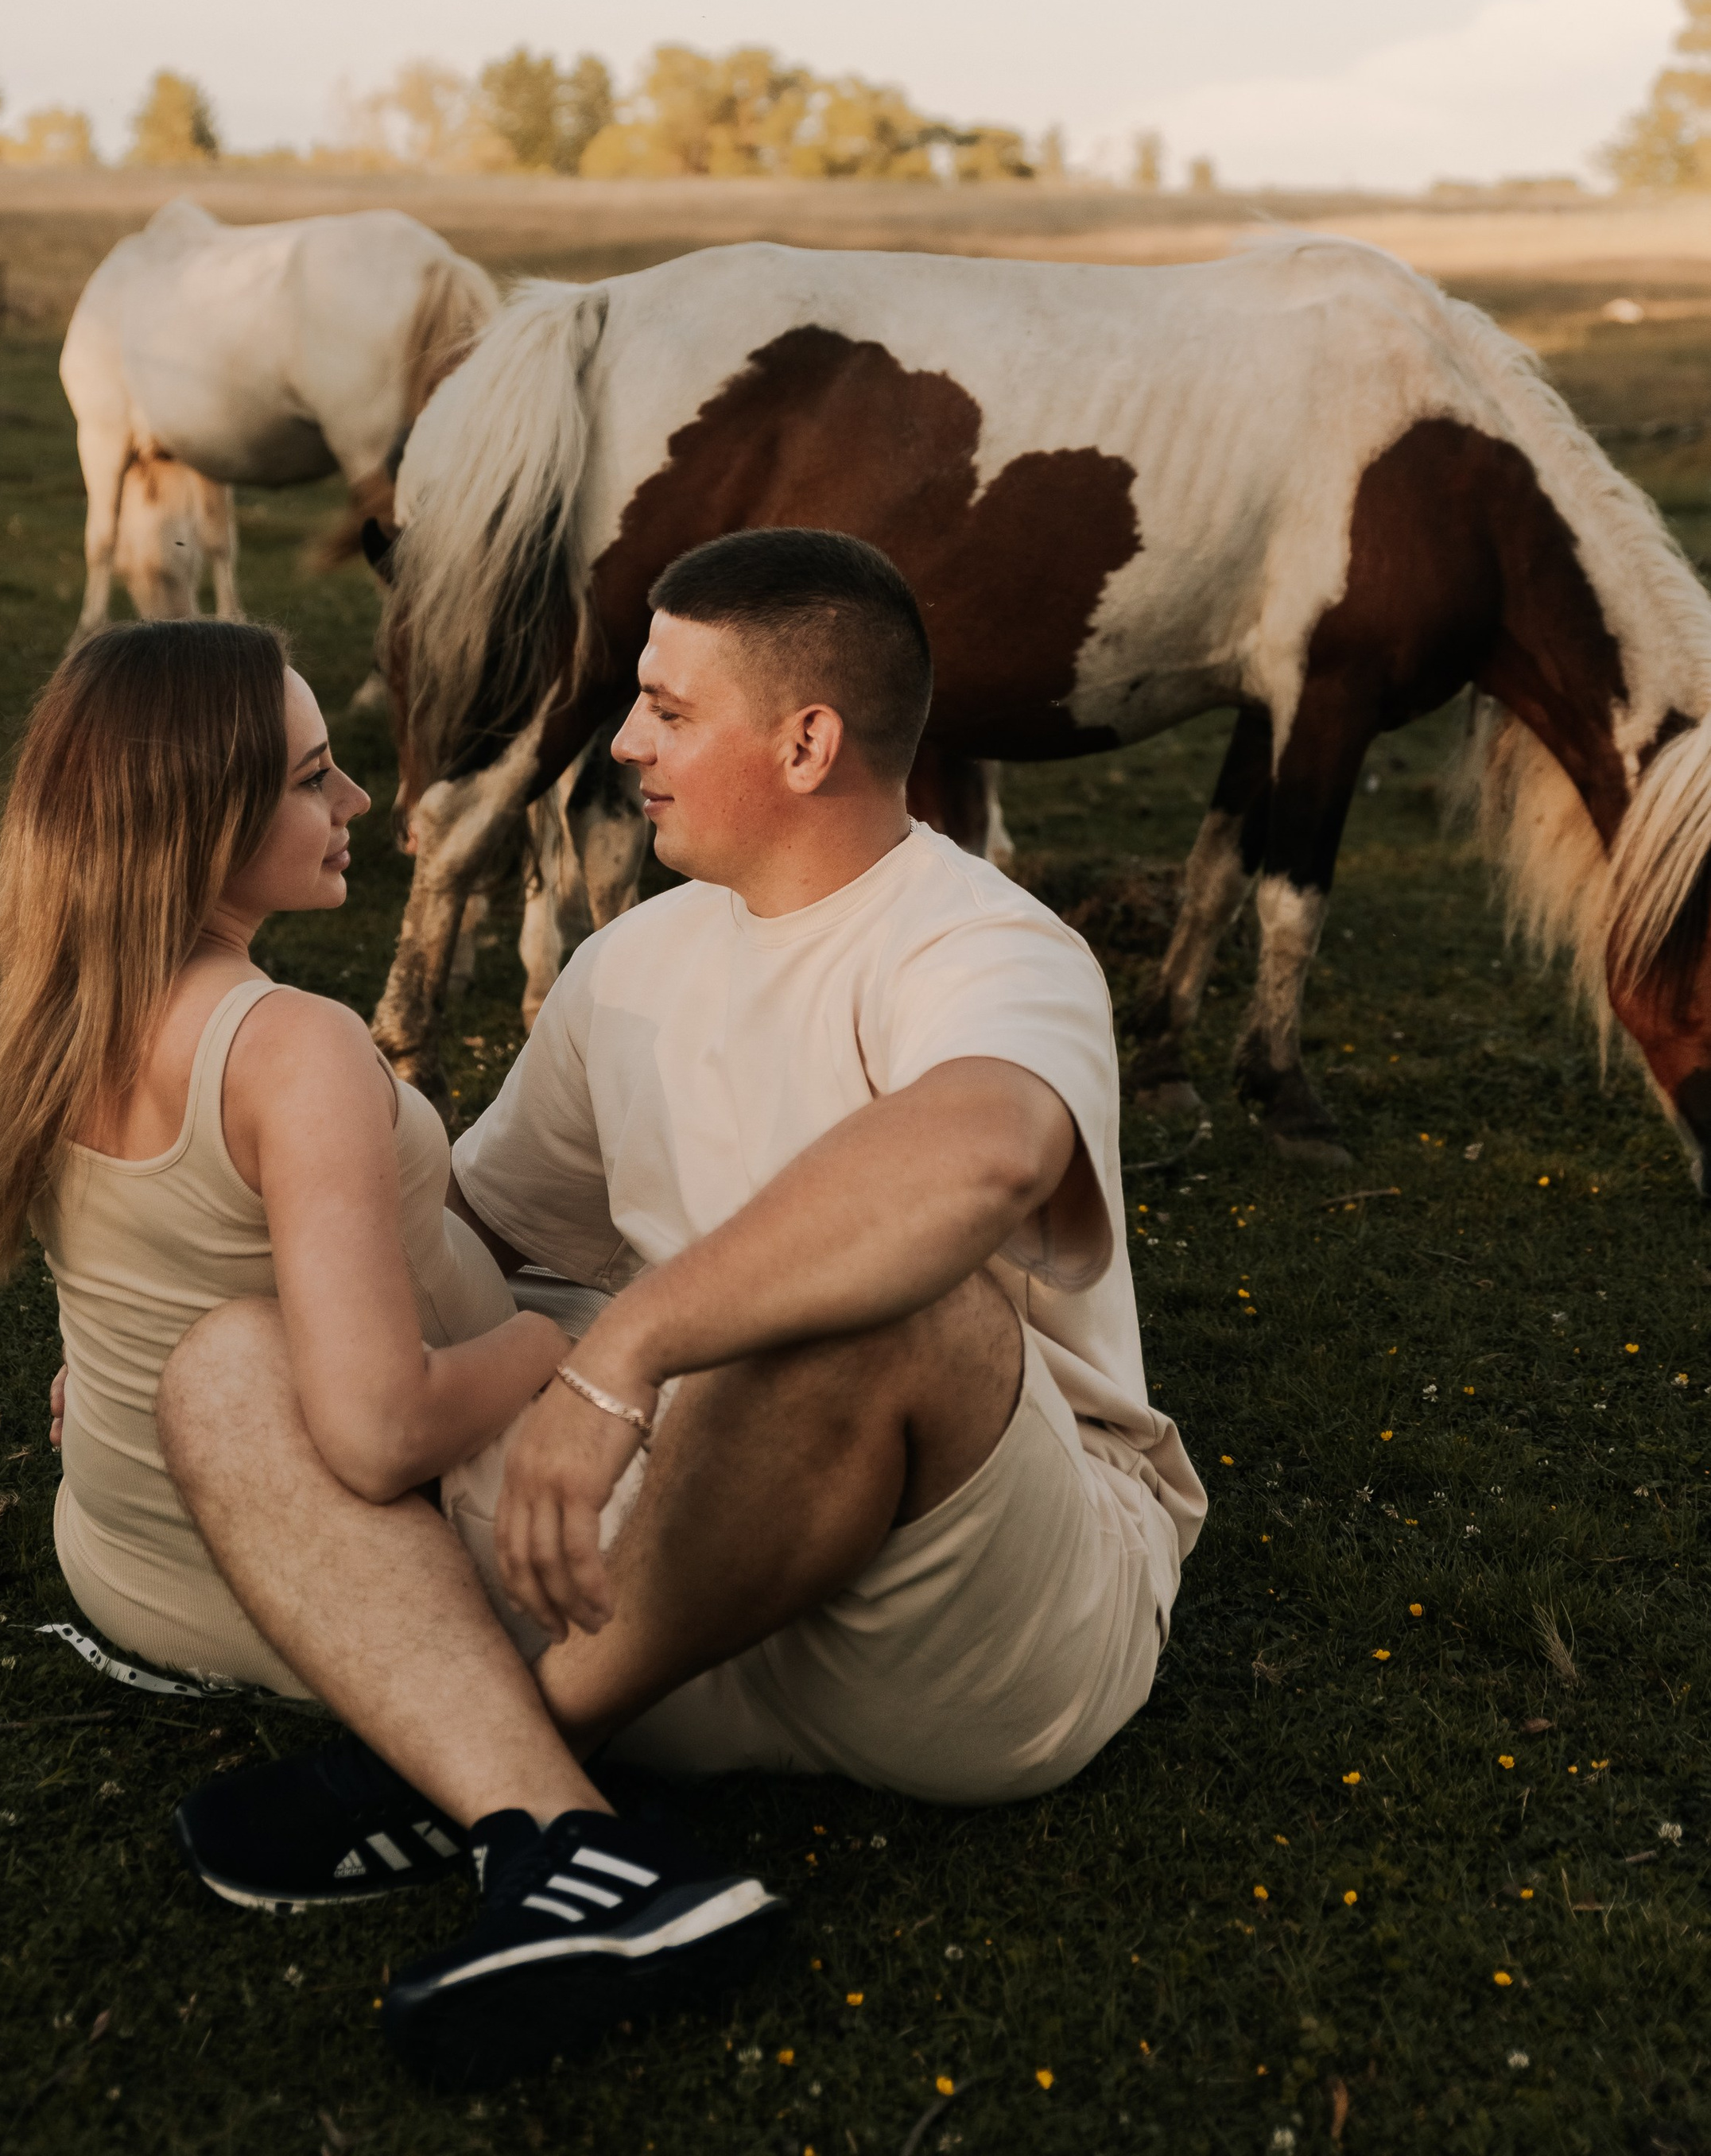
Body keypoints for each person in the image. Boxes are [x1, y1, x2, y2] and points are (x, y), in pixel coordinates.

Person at [159, 530, 1207, 2077]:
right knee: (232, 1362)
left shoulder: (982, 943)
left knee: (895, 1295)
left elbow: (982, 1158)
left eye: (662, 707)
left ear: (805, 741)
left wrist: (627, 1352)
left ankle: (484, 1738)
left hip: (968, 1620)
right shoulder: (631, 960)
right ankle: (559, 1839)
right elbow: (461, 1235)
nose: (622, 742)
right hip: (680, 1558)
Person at [0, 618, 783, 2086]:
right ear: (199, 821)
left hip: (128, 1550)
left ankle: (434, 1785)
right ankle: (544, 1829)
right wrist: (545, 1347)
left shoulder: (57, 994)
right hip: (313, 1573)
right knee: (767, 1426)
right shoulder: (286, 1046)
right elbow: (381, 1434)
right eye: (313, 780)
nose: (356, 809)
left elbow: (151, 1271)